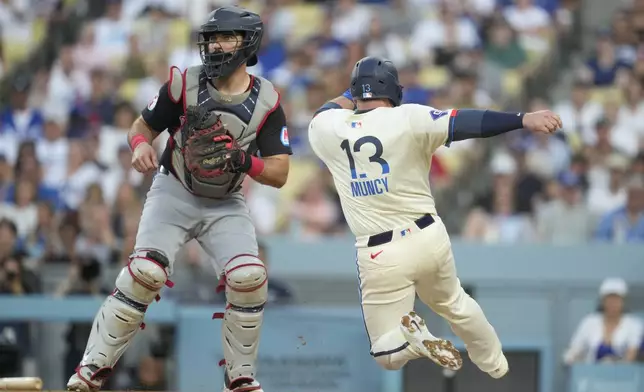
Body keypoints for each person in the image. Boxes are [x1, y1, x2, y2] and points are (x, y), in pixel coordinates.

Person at [67, 6, 292, 392]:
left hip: (226, 201)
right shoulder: (183, 84)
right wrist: (139, 144)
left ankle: (239, 377)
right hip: (175, 189)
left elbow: (280, 173)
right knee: (145, 274)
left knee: (250, 278)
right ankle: (90, 370)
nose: (214, 45)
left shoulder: (268, 102)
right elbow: (142, 126)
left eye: (224, 37)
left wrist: (241, 159)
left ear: (247, 43)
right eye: (212, 38)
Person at [307, 56, 562, 378]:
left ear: (357, 92)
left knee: (387, 354)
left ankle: (414, 342)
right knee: (456, 303)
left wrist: (353, 91)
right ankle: (495, 363)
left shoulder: (330, 127)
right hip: (427, 235)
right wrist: (522, 119)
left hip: (380, 252)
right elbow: (467, 123)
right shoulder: (409, 117)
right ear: (394, 90)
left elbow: (323, 111)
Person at [564, 277, 643, 364]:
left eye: (616, 299)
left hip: (622, 375)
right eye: (609, 299)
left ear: (623, 301)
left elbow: (631, 355)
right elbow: (574, 350)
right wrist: (572, 359)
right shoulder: (589, 322)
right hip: (590, 374)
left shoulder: (634, 325)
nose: (612, 303)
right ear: (602, 301)